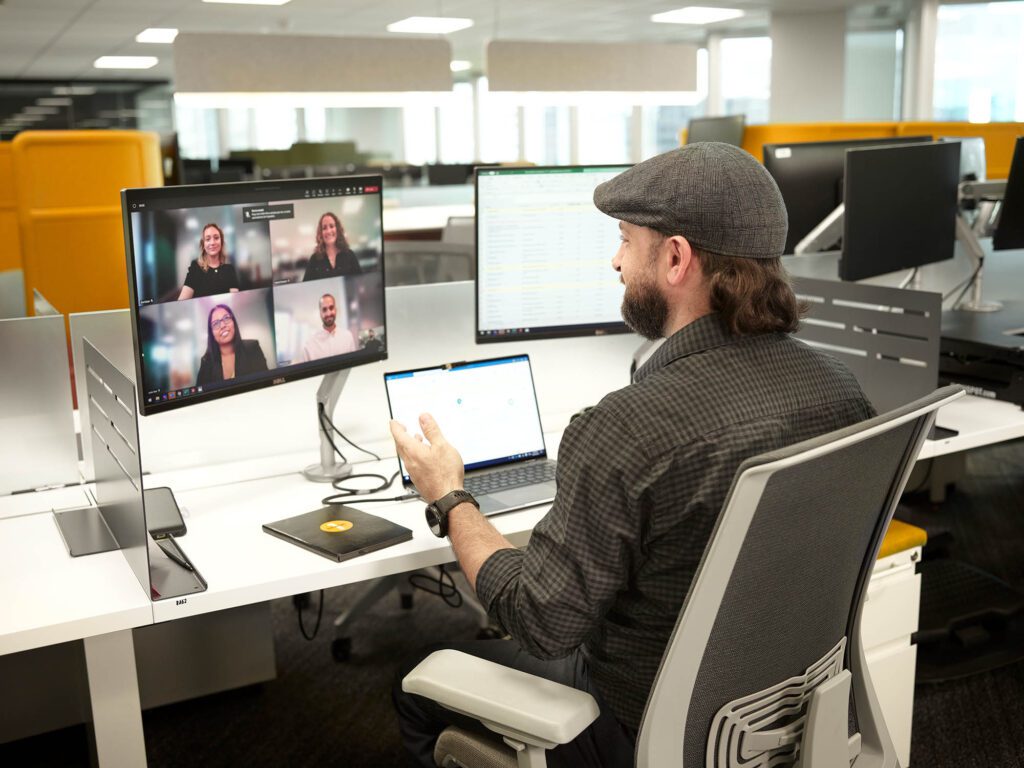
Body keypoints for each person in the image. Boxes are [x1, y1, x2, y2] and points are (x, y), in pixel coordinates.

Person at [389, 143, 875, 767]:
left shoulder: (625, 428)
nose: (616, 261)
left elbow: (541, 621)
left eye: (624, 239)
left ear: (675, 258)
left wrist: (451, 497)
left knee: (416, 687)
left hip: (643, 731)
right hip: (789, 718)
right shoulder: (840, 389)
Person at [196, 304, 268, 386]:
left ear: (233, 322)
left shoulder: (252, 348)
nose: (223, 326)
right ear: (211, 333)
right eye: (216, 324)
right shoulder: (206, 361)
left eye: (226, 318)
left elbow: (265, 383)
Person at [177, 223, 240, 300]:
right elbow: (182, 300)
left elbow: (235, 299)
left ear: (221, 242)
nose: (212, 243)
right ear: (203, 244)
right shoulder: (195, 267)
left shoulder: (229, 269)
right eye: (207, 239)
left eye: (216, 238)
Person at [302, 212, 361, 281]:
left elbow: (360, 283)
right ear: (321, 233)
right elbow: (306, 286)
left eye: (331, 226)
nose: (328, 231)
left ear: (337, 229)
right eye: (324, 228)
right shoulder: (314, 259)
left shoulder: (350, 255)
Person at [300, 293, 356, 362]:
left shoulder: (348, 336)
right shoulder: (309, 344)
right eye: (324, 309)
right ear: (320, 313)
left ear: (336, 310)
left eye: (331, 308)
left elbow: (354, 364)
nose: (328, 313)